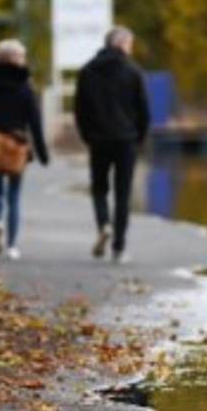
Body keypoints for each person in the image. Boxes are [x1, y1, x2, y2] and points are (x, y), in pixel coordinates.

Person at [74, 26, 149, 264]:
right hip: (126, 140)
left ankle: (104, 225)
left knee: (99, 188)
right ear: (122, 43)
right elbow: (144, 110)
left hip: (98, 139)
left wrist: (87, 135)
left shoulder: (87, 71)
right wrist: (140, 139)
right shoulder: (133, 72)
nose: (131, 48)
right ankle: (118, 247)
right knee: (123, 193)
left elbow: (80, 109)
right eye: (130, 44)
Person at [0, 39, 48, 261]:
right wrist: (42, 153)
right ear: (15, 59)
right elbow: (35, 122)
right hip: (17, 146)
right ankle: (12, 245)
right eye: (22, 57)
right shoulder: (25, 86)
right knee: (14, 196)